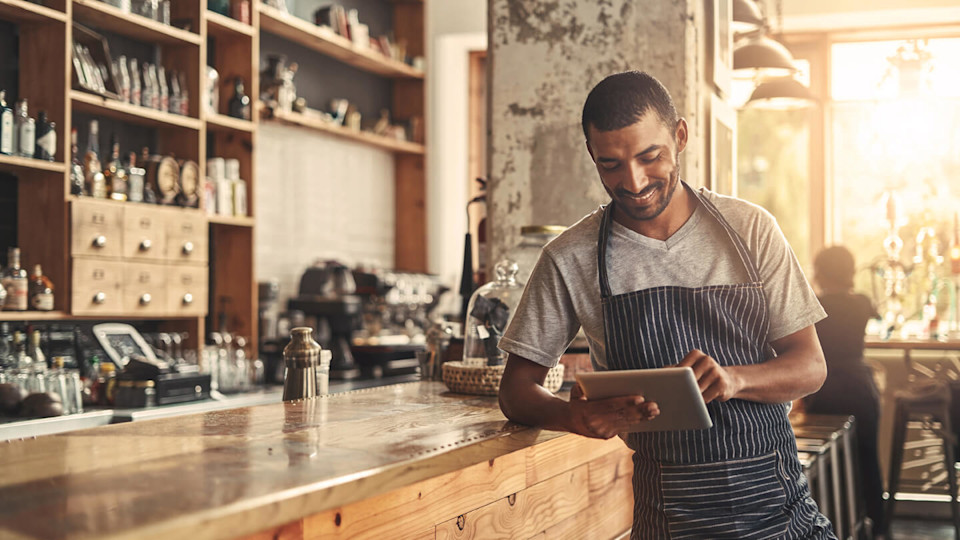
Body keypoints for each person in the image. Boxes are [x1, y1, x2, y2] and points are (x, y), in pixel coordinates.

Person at [497, 70, 835, 539]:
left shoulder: (751, 230)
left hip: (781, 513)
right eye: (610, 165)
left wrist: (736, 378)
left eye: (649, 156)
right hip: (670, 521)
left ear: (679, 136)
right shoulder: (570, 257)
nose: (632, 181)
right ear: (592, 156)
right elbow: (516, 389)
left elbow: (811, 366)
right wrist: (569, 416)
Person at [804, 245, 885, 534]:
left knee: (831, 464)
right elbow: (879, 315)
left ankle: (832, 524)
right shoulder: (862, 302)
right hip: (861, 388)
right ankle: (878, 526)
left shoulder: (813, 303)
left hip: (825, 389)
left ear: (822, 272)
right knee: (868, 460)